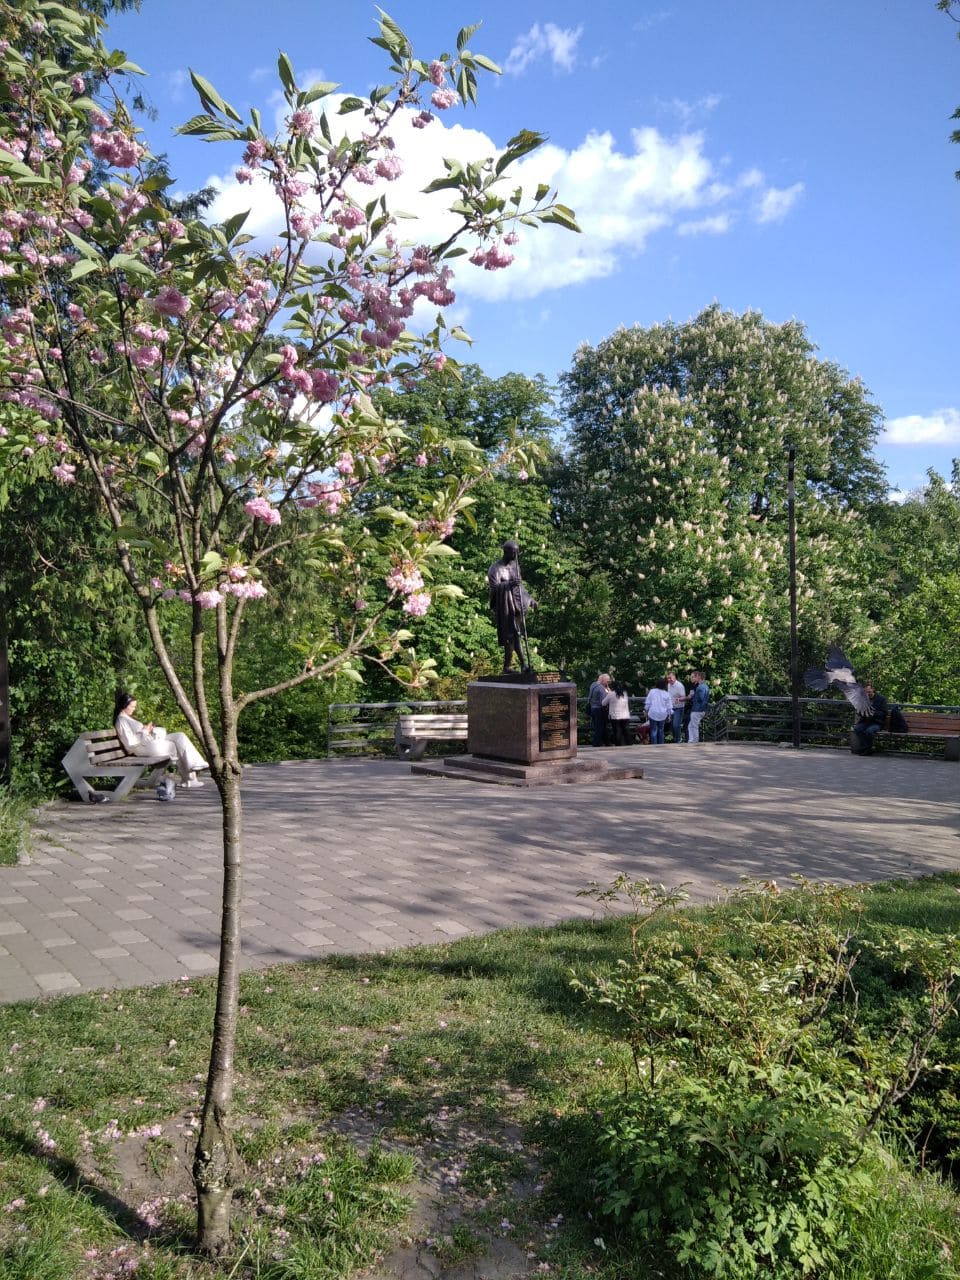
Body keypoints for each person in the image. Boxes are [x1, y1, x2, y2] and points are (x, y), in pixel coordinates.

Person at [114, 691, 209, 787]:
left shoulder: (127, 718)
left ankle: (193, 770)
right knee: (177, 745)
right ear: (124, 705)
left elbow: (137, 734)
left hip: (147, 743)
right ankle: (190, 778)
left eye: (135, 707)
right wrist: (145, 731)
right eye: (132, 706)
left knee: (179, 736)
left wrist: (147, 730)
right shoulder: (121, 720)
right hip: (141, 748)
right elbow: (130, 742)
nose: (134, 709)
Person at [487, 540, 535, 671]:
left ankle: (513, 666)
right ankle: (519, 665)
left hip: (516, 607)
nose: (516, 555)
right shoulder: (495, 568)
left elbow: (520, 587)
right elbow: (494, 588)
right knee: (512, 636)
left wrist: (530, 600)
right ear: (506, 551)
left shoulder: (515, 567)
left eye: (517, 552)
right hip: (504, 608)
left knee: (515, 635)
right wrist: (509, 584)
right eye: (514, 552)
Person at [851, 682, 889, 755]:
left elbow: (884, 713)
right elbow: (859, 712)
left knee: (869, 731)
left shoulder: (881, 699)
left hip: (877, 722)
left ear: (873, 689)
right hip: (865, 722)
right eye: (865, 692)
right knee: (857, 729)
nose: (867, 694)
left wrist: (872, 713)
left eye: (869, 692)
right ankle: (866, 749)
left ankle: (866, 749)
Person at [602, 679, 632, 746]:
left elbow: (603, 703)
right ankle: (629, 743)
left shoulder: (611, 694)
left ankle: (618, 744)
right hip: (625, 715)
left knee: (617, 731)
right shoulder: (625, 694)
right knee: (626, 730)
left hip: (615, 716)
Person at [644, 677, 672, 745]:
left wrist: (646, 711)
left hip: (653, 713)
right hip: (662, 714)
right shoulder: (666, 693)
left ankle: (654, 746)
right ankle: (661, 745)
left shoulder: (652, 691)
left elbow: (648, 703)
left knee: (653, 731)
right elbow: (669, 706)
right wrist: (669, 715)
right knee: (661, 731)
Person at [587, 673, 611, 747]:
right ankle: (596, 743)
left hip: (592, 708)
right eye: (607, 681)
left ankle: (606, 742)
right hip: (599, 709)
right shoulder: (601, 688)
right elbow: (603, 702)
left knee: (600, 726)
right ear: (603, 680)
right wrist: (608, 692)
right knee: (600, 727)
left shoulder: (593, 685)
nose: (608, 683)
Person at [687, 670, 710, 743]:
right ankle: (691, 741)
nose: (695, 678)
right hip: (700, 709)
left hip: (697, 710)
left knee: (694, 726)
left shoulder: (700, 687)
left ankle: (694, 741)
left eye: (696, 677)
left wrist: (692, 697)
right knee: (690, 726)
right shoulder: (705, 686)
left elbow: (700, 699)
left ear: (699, 677)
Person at [666, 671, 686, 743]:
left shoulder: (679, 686)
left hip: (679, 708)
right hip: (671, 708)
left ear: (674, 677)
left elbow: (684, 697)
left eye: (670, 678)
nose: (669, 679)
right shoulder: (668, 685)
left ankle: (678, 740)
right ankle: (676, 740)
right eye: (668, 678)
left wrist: (679, 699)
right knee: (672, 726)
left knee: (676, 725)